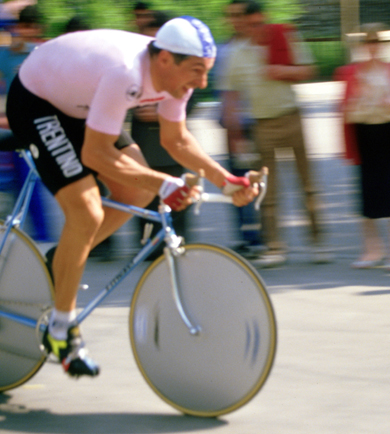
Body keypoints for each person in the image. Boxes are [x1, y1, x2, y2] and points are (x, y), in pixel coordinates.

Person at [6, 16, 259, 378]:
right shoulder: (126, 72)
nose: (202, 83)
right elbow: (95, 154)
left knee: (139, 191)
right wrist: (164, 183)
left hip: (78, 103)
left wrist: (227, 179)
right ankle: (62, 329)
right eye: (197, 71)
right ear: (165, 59)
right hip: (36, 100)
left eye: (207, 72)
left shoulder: (177, 79)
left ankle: (60, 260)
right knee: (88, 211)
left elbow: (177, 139)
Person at [220, 1, 329, 267]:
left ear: (264, 19)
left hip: (291, 117)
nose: (257, 29)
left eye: (260, 23)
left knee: (307, 184)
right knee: (268, 190)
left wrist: (284, 71)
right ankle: (275, 247)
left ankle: (318, 244)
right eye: (251, 25)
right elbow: (231, 96)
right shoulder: (237, 52)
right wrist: (235, 134)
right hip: (261, 125)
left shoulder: (283, 36)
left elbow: (309, 69)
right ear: (244, 24)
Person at [335, 23, 390, 272]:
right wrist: (362, 101)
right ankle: (372, 251)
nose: (372, 47)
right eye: (368, 42)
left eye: (377, 42)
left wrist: (388, 103)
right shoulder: (351, 73)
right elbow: (346, 111)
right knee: (367, 194)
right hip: (365, 136)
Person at [131, 10, 193, 261]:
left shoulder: (183, 62)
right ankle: (149, 249)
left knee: (178, 200)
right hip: (143, 146)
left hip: (172, 148)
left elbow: (192, 98)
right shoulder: (134, 63)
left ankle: (180, 246)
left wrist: (160, 112)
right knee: (144, 200)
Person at [215, 0, 264, 259]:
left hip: (255, 123)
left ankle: (261, 237)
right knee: (234, 180)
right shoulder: (223, 49)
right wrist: (229, 126)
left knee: (257, 180)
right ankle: (245, 237)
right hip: (231, 125)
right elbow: (222, 91)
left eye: (240, 15)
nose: (236, 20)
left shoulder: (257, 47)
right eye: (231, 15)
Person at [0, 5, 52, 242]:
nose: (28, 31)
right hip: (12, 127)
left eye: (32, 26)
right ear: (18, 27)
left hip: (39, 127)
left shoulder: (46, 52)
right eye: (24, 26)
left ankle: (42, 238)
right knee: (17, 183)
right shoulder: (7, 53)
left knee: (34, 184)